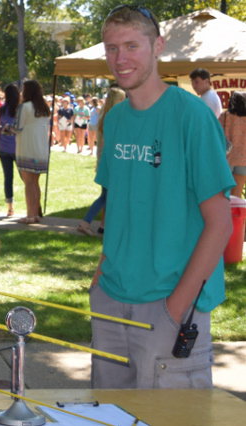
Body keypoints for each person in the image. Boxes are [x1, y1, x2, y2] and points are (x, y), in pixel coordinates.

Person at [91, 6, 233, 390]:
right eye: (111, 48)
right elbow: (118, 205)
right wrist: (100, 277)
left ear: (158, 47)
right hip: (112, 300)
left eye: (132, 46)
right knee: (107, 416)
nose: (120, 59)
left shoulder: (192, 117)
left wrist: (175, 308)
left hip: (170, 302)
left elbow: (220, 223)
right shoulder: (116, 119)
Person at [76, 87, 126, 236]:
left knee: (107, 196)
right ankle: (86, 222)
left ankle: (104, 225)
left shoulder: (104, 115)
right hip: (111, 162)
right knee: (107, 196)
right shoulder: (115, 117)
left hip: (104, 161)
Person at [14, 80, 50, 224]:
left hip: (27, 148)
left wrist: (6, 129)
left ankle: (30, 215)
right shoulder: (44, 108)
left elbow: (18, 127)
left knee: (29, 183)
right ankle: (35, 214)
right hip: (41, 149)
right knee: (35, 183)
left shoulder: (25, 107)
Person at [0, 83, 20, 218]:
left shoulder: (1, 111)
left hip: (4, 148)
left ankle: (10, 208)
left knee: (8, 178)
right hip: (19, 148)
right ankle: (33, 205)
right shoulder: (20, 110)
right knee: (26, 179)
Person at [219, 91, 246, 197]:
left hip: (226, 158)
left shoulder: (225, 116)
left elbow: (216, 134)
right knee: (237, 194)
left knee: (224, 194)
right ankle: (236, 213)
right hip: (243, 159)